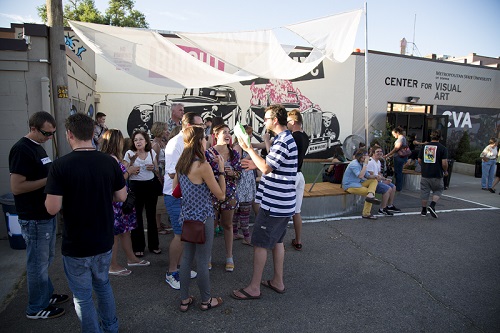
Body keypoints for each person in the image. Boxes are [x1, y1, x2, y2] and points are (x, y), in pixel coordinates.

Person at [45, 113, 127, 332]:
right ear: (93, 133)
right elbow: (122, 196)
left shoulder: (60, 166)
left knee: (82, 297)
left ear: (69, 134)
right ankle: (111, 328)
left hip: (76, 243)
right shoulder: (109, 162)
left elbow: (52, 208)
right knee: (103, 286)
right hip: (103, 238)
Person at [231, 104, 297, 300]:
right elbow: (273, 166)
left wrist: (249, 149)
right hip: (283, 203)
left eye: (267, 118)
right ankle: (278, 281)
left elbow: (267, 168)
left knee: (260, 244)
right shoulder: (284, 139)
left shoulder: (283, 140)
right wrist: (256, 163)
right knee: (277, 241)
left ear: (275, 120)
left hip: (274, 204)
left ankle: (253, 288)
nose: (264, 121)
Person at [9, 111, 68, 320]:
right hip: (33, 217)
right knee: (37, 263)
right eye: (46, 133)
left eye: (52, 133)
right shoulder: (21, 149)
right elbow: (16, 187)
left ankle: (45, 295)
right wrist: (48, 180)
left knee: (46, 259)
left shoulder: (37, 147)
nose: (49, 137)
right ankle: (35, 307)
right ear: (33, 128)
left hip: (44, 214)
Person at [174, 126, 226, 312]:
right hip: (203, 219)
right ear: (199, 141)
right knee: (203, 261)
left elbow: (176, 190)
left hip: (187, 218)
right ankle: (206, 300)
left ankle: (184, 299)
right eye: (204, 138)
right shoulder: (202, 165)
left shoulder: (181, 164)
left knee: (187, 259)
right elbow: (220, 195)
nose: (207, 141)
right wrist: (221, 170)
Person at [100, 129, 150, 276]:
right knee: (115, 234)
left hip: (121, 200)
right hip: (116, 201)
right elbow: (117, 179)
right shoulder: (110, 159)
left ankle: (131, 258)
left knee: (125, 231)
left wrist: (130, 165)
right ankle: (112, 265)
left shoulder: (113, 157)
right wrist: (130, 171)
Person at [164, 112, 205, 290]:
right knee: (180, 235)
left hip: (185, 195)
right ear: (188, 126)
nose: (203, 128)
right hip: (174, 196)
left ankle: (181, 268)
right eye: (200, 126)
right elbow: (173, 172)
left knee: (186, 236)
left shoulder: (188, 142)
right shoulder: (175, 143)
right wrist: (200, 174)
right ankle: (171, 272)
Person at [205, 124, 242, 272]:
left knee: (228, 225)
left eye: (229, 133)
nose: (227, 135)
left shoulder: (234, 154)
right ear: (216, 135)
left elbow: (239, 174)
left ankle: (229, 257)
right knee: (210, 227)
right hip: (211, 194)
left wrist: (232, 173)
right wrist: (217, 170)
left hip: (230, 194)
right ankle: (207, 257)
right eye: (224, 132)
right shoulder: (208, 154)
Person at [123, 130, 160, 256]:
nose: (138, 142)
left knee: (151, 215)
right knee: (137, 216)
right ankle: (138, 247)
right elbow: (125, 171)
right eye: (135, 140)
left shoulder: (151, 152)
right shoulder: (129, 153)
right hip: (135, 186)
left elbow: (157, 170)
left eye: (140, 139)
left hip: (151, 185)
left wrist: (153, 168)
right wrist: (132, 165)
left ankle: (154, 245)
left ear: (146, 141)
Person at [287, 109, 309, 251]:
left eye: (288, 121)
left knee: (283, 211)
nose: (286, 124)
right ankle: (298, 240)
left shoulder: (292, 137)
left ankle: (278, 243)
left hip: (290, 175)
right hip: (300, 176)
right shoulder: (305, 136)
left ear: (293, 122)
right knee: (297, 211)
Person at [342, 148, 382, 220]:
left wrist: (376, 176)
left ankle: (370, 195)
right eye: (365, 156)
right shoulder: (354, 164)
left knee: (374, 181)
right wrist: (365, 164)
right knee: (368, 193)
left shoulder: (362, 164)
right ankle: (366, 213)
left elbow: (367, 176)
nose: (367, 157)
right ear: (360, 156)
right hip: (349, 185)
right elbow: (360, 176)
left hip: (358, 183)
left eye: (367, 156)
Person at [418, 130, 449, 218]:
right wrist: (445, 171)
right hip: (437, 174)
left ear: (431, 136)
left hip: (425, 173)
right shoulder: (443, 148)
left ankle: (423, 211)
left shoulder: (424, 147)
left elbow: (419, 160)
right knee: (438, 190)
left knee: (424, 192)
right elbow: (444, 163)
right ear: (440, 137)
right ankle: (432, 205)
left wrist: (424, 166)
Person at [232, 135, 256, 246]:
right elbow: (237, 163)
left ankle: (235, 233)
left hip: (246, 183)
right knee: (244, 211)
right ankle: (246, 237)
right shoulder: (238, 146)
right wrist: (251, 154)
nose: (250, 136)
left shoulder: (247, 146)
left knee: (239, 211)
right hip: (242, 185)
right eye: (248, 134)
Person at [366, 146, 401, 216]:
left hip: (378, 180)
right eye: (377, 152)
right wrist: (383, 181)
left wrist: (385, 179)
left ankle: (389, 205)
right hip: (371, 182)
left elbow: (379, 174)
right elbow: (370, 177)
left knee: (393, 187)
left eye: (380, 151)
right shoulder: (370, 162)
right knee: (388, 189)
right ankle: (382, 209)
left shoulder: (378, 161)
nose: (379, 153)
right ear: (373, 153)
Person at [151, 122, 171, 235]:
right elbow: (155, 163)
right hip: (159, 174)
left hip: (164, 173)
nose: (167, 131)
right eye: (165, 130)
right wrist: (159, 178)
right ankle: (157, 226)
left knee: (161, 199)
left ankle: (160, 223)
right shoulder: (155, 145)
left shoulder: (162, 143)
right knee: (158, 200)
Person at [384, 126, 408, 191]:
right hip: (400, 157)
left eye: (394, 134)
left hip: (399, 158)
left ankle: (398, 187)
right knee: (398, 172)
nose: (394, 136)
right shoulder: (403, 138)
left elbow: (396, 148)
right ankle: (398, 186)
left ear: (397, 132)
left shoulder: (400, 138)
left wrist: (388, 155)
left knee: (398, 172)